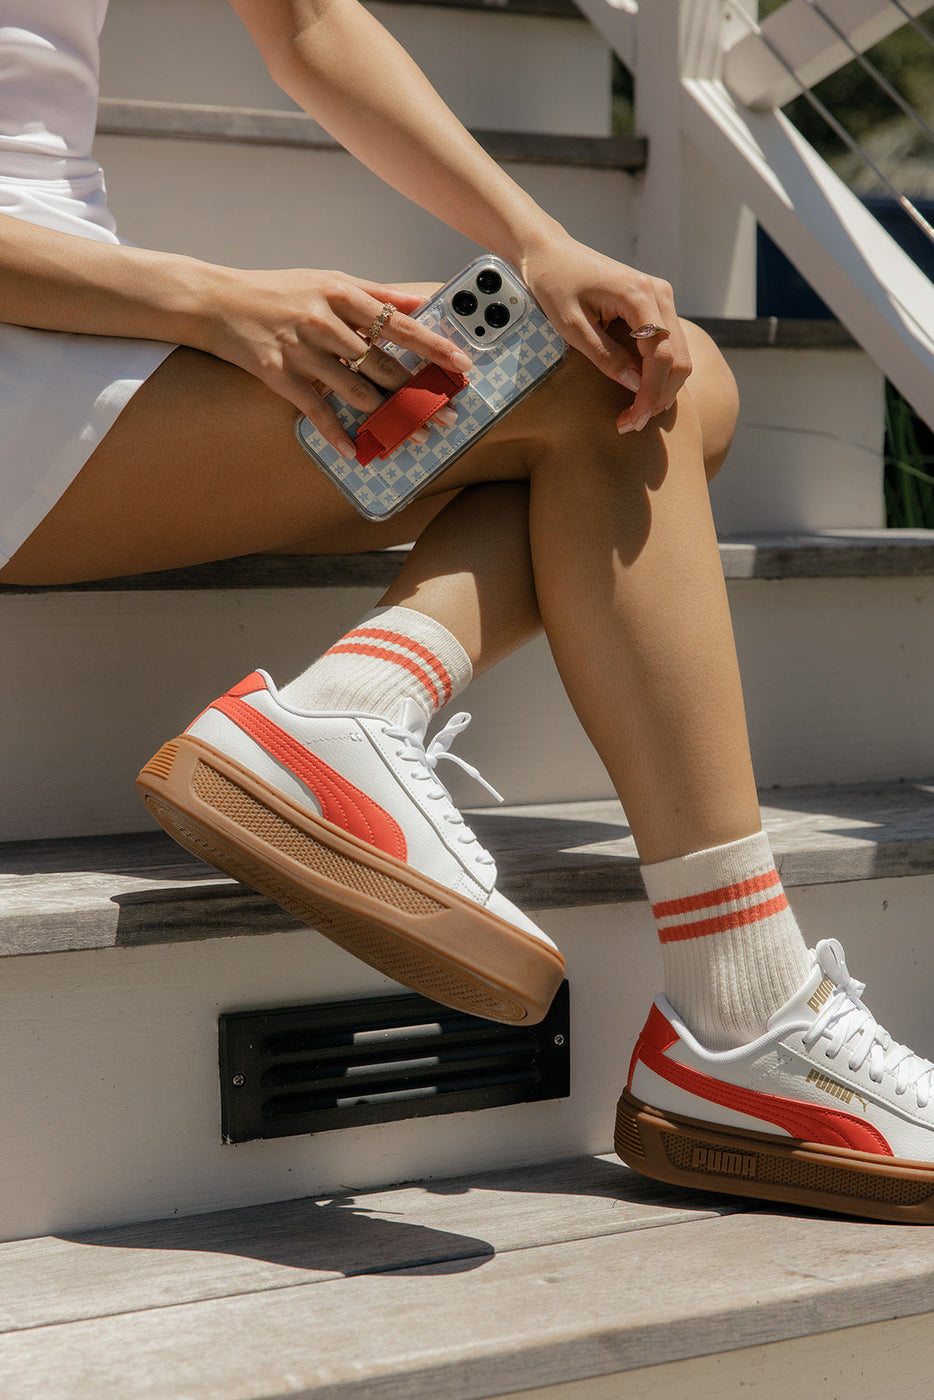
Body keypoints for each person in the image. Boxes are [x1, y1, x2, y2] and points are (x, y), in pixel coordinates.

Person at [2, 0, 932, 1225]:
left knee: (654, 376)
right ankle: (741, 1010)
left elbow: (312, 21)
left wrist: (538, 242)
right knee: (583, 388)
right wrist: (209, 301)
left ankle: (361, 700)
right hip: (55, 343)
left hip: (92, 327)